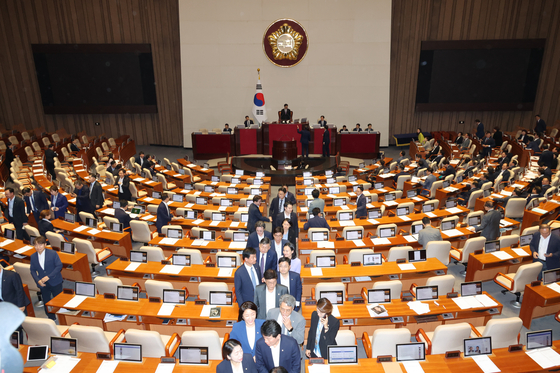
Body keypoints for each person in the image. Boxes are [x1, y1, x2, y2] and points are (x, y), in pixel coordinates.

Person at [30, 236, 62, 320]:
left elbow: (59, 266)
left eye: (40, 245)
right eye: (36, 245)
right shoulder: (33, 256)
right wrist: (38, 281)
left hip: (55, 280)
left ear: (45, 244)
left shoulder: (52, 253)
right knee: (46, 301)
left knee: (59, 299)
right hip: (42, 283)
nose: (38, 247)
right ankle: (51, 317)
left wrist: (48, 276)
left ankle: (62, 315)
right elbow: (32, 270)